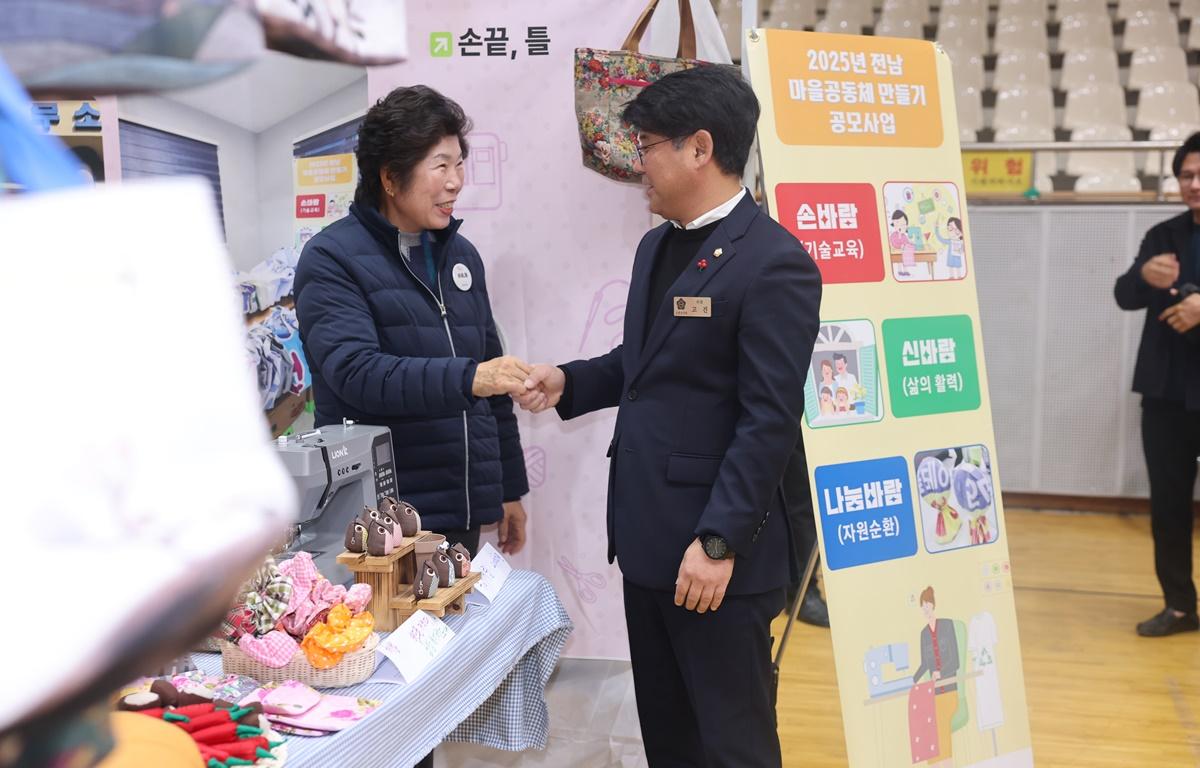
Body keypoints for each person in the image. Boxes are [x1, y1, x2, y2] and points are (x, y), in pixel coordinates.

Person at [517, 65, 821, 767]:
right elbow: (645, 360)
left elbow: (768, 418)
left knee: (733, 741)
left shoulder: (776, 264)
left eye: (647, 144)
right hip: (649, 543)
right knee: (671, 738)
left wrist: (718, 543)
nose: (636, 163)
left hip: (715, 560)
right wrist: (567, 381)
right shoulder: (658, 244)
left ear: (700, 148)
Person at [295, 85, 531, 559]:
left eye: (459, 163)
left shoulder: (461, 257)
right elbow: (358, 373)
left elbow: (493, 376)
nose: (456, 180)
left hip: (461, 515)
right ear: (389, 177)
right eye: (440, 165)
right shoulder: (331, 259)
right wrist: (473, 377)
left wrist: (508, 487)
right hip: (383, 523)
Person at [1115, 131, 1200, 637]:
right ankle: (1179, 605)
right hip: (1167, 393)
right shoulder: (1162, 236)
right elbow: (1124, 295)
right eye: (1187, 175)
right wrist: (1144, 276)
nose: (1194, 184)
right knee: (1168, 505)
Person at [912, 586, 959, 768]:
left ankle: (945, 764)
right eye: (922, 605)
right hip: (933, 694)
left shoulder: (947, 625)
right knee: (928, 724)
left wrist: (940, 673)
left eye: (927, 604)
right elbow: (924, 664)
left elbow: (955, 661)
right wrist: (912, 680)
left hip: (949, 690)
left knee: (939, 722)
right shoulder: (923, 634)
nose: (925, 608)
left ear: (933, 604)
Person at [935, 215, 965, 279]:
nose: (952, 232)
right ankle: (951, 276)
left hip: (957, 257)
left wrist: (961, 250)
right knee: (951, 266)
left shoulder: (961, 241)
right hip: (951, 257)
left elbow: (963, 249)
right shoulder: (950, 241)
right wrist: (936, 228)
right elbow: (940, 239)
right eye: (949, 228)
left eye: (955, 229)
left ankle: (959, 276)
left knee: (958, 266)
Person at [890, 209, 916, 277]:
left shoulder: (904, 236)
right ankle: (899, 270)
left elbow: (906, 242)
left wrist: (910, 243)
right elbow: (893, 243)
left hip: (903, 252)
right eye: (898, 223)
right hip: (897, 252)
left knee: (905, 261)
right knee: (899, 261)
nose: (901, 226)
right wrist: (900, 246)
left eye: (903, 224)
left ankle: (906, 270)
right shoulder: (893, 235)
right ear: (894, 224)